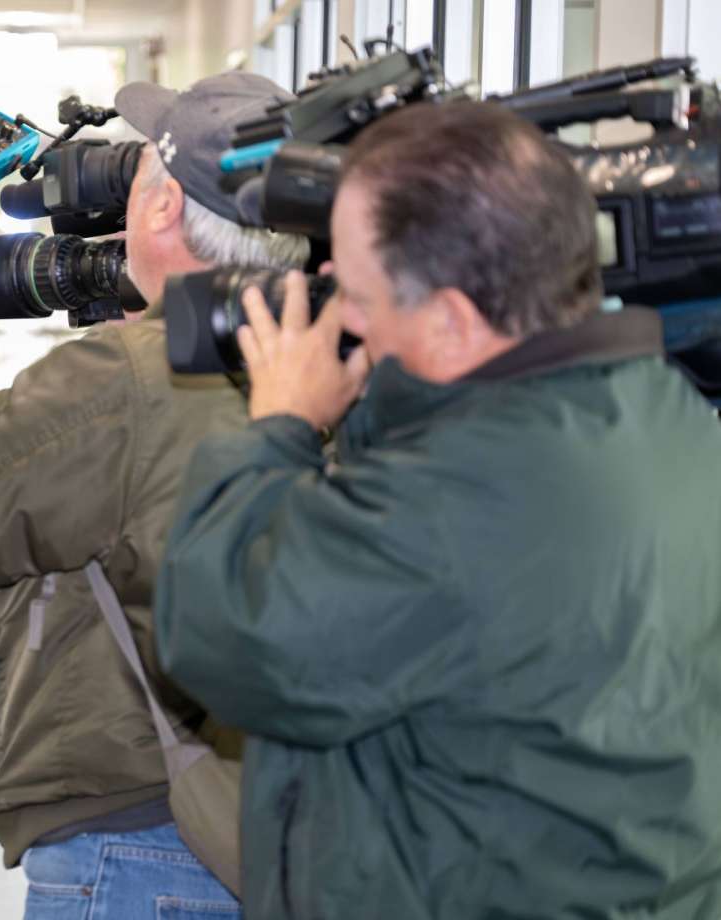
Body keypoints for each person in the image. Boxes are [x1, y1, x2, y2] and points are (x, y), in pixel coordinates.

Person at [155, 100, 721, 918]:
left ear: (452, 321)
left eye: (354, 293)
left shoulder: (466, 496)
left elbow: (222, 629)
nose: (339, 317)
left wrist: (280, 425)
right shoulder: (664, 417)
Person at [0, 72, 308, 918]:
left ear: (160, 211)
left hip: (139, 839)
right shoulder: (325, 350)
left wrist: (101, 363)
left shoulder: (127, 374)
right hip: (262, 829)